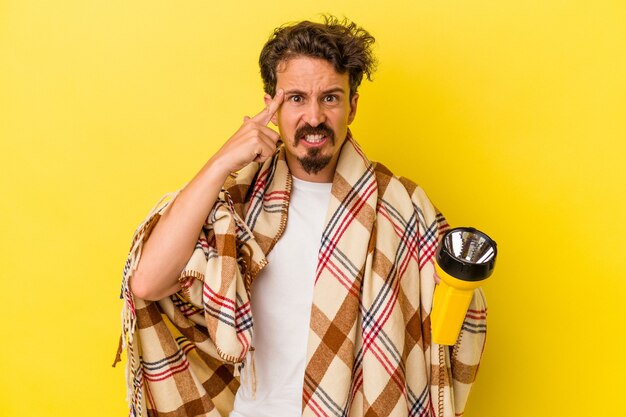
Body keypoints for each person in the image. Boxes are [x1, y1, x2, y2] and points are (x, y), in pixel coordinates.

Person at [115, 16, 487, 417]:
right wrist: (222, 160)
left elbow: (453, 329)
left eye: (330, 97)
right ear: (270, 106)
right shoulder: (238, 203)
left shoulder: (401, 206)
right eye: (296, 98)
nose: (313, 117)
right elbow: (148, 283)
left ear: (353, 105)